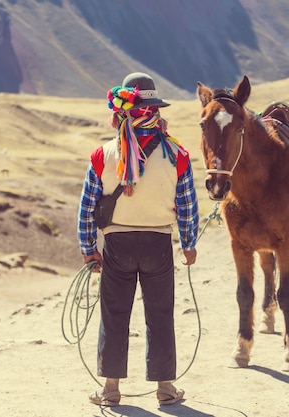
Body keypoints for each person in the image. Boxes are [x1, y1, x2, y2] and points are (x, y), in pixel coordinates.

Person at [77, 72, 199, 407]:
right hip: (158, 242)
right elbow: (187, 204)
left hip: (117, 244)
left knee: (115, 313)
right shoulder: (178, 153)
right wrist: (188, 244)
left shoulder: (103, 154)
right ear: (155, 108)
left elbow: (88, 205)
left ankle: (111, 389)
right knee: (160, 314)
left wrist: (89, 250)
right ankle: (165, 387)